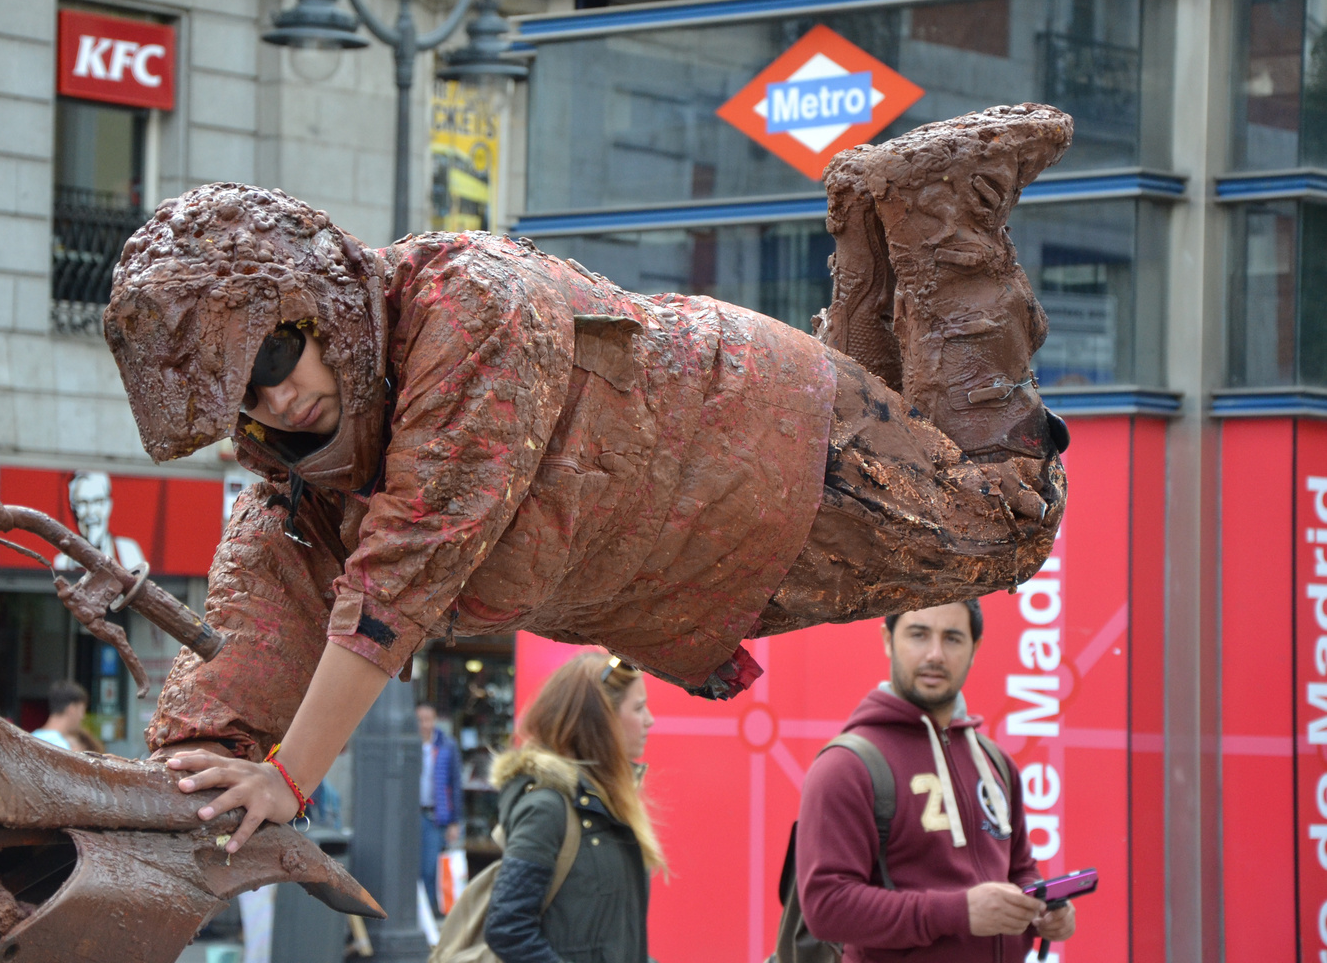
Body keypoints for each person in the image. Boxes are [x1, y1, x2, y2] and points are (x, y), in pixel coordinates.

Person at [113, 105, 1073, 853]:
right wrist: (185, 777)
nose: (275, 402)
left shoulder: (465, 307)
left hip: (761, 453)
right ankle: (880, 218)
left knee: (1007, 518)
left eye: (277, 354)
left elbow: (407, 564)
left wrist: (288, 778)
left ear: (319, 305)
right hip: (709, 546)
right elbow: (248, 632)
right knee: (942, 465)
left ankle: (946, 209)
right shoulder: (301, 497)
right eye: (244, 397)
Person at [794, 601, 1078, 960]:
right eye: (918, 634)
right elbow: (827, 907)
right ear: (887, 640)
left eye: (953, 638)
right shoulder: (847, 766)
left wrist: (1043, 909)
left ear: (975, 649)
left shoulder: (995, 762)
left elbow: (1019, 870)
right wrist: (959, 912)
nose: (935, 654)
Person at [482, 652, 659, 963]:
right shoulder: (547, 809)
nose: (650, 720)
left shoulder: (607, 803)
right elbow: (507, 927)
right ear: (601, 721)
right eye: (639, 708)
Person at [417, 703, 464, 915]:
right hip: (411, 814)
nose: (424, 725)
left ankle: (430, 912)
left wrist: (455, 821)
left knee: (429, 869)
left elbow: (455, 783)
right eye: (420, 720)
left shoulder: (447, 745)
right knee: (413, 868)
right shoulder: (410, 743)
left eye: (429, 719)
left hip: (435, 815)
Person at [32, 679, 90, 751]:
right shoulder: (61, 748)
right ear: (72, 709)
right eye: (82, 711)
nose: (83, 717)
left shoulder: (31, 738)